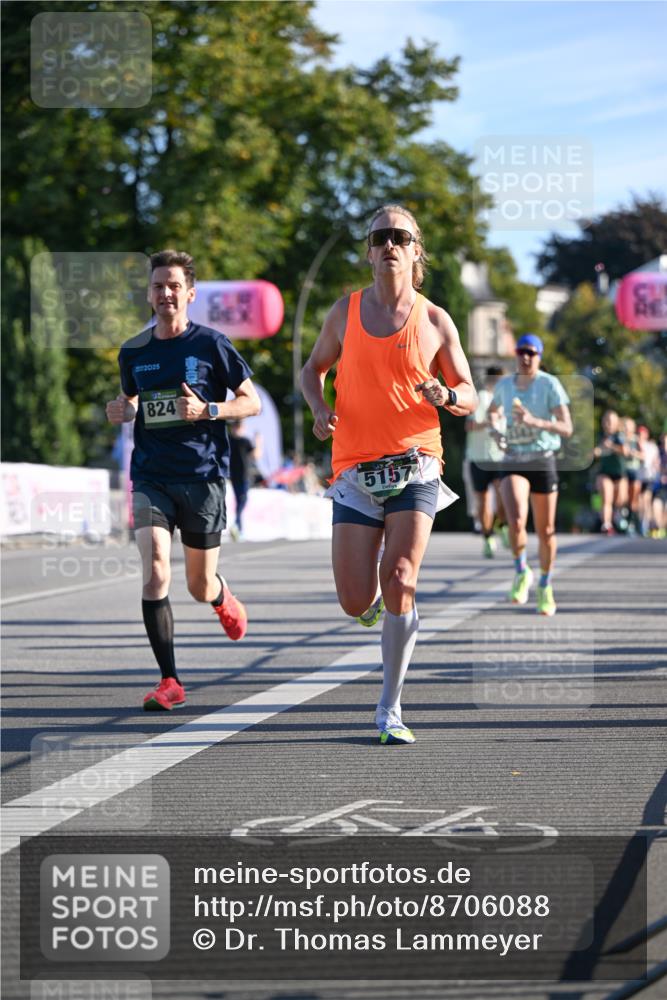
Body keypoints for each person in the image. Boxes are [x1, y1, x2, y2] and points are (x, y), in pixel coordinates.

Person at [300, 204, 476, 745]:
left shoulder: (435, 319)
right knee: (356, 600)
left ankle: (389, 708)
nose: (390, 245)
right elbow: (313, 371)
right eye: (381, 237)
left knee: (400, 576)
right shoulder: (344, 312)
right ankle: (379, 606)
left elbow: (468, 393)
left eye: (401, 236)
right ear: (369, 250)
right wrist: (318, 409)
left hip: (416, 463)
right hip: (354, 468)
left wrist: (446, 395)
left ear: (416, 250)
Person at [106, 249, 261, 711]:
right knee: (155, 567)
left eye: (174, 285)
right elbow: (130, 399)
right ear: (149, 295)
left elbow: (248, 401)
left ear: (189, 294)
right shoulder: (134, 351)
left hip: (203, 476)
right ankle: (169, 679)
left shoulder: (212, 345)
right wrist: (122, 409)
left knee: (197, 584)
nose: (166, 293)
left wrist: (209, 409)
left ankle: (219, 595)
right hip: (152, 475)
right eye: (158, 286)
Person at [487, 334, 573, 617]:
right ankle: (522, 570)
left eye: (531, 353)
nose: (525, 357)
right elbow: (492, 413)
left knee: (546, 530)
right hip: (513, 458)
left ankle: (545, 585)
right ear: (515, 354)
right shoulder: (505, 386)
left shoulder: (550, 385)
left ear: (539, 356)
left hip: (542, 459)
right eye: (521, 351)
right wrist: (495, 431)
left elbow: (566, 428)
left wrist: (534, 421)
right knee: (516, 520)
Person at [465, 365, 509, 557]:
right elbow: (470, 425)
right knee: (483, 501)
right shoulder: (481, 398)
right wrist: (490, 422)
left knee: (503, 497)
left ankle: (502, 525)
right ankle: (488, 537)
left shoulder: (507, 401)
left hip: (500, 457)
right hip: (479, 457)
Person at [593, 410, 629, 534]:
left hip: (620, 473)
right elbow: (597, 451)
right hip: (605, 472)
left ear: (616, 423)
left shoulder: (620, 436)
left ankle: (618, 515)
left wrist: (612, 446)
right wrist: (596, 452)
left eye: (611, 421)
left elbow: (625, 452)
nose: (608, 424)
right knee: (606, 498)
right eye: (606, 421)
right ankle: (606, 525)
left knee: (620, 500)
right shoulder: (600, 435)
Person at [228, 419, 260, 540]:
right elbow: (256, 455)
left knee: (241, 501)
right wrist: (258, 442)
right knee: (241, 501)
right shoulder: (233, 440)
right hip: (237, 475)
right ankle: (237, 526)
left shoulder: (243, 441)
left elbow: (254, 455)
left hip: (241, 475)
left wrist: (257, 442)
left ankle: (238, 526)